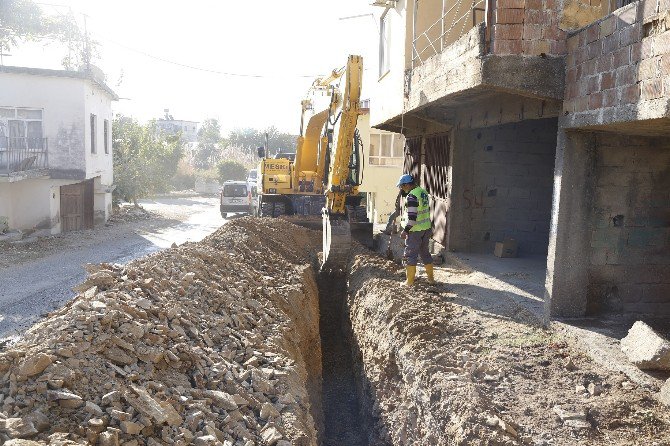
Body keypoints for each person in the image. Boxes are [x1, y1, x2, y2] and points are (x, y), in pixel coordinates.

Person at [396, 174, 434, 286]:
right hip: (426, 228)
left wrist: (406, 230)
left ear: (407, 184)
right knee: (425, 253)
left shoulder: (412, 196)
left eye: (402, 187)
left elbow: (412, 217)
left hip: (415, 230)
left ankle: (409, 281)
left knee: (410, 255)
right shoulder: (422, 192)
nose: (402, 189)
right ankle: (431, 279)